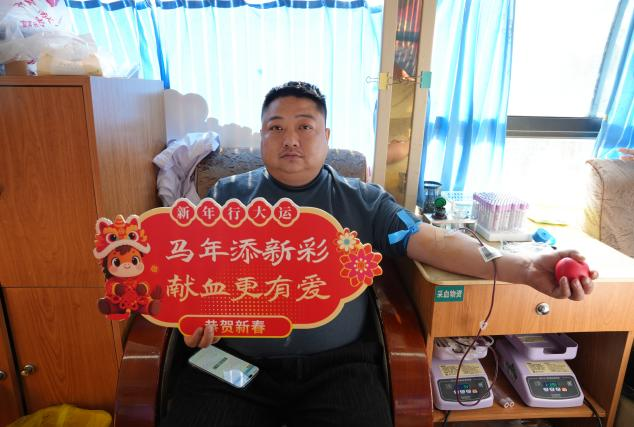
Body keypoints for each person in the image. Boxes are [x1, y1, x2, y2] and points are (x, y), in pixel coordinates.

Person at [163, 81, 598, 427]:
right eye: (275, 128)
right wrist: (187, 320)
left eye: (304, 127)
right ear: (262, 137)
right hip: (236, 364)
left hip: (338, 369)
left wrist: (525, 267)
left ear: (326, 136)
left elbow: (432, 241)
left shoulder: (366, 201)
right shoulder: (226, 197)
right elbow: (187, 273)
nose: (289, 139)